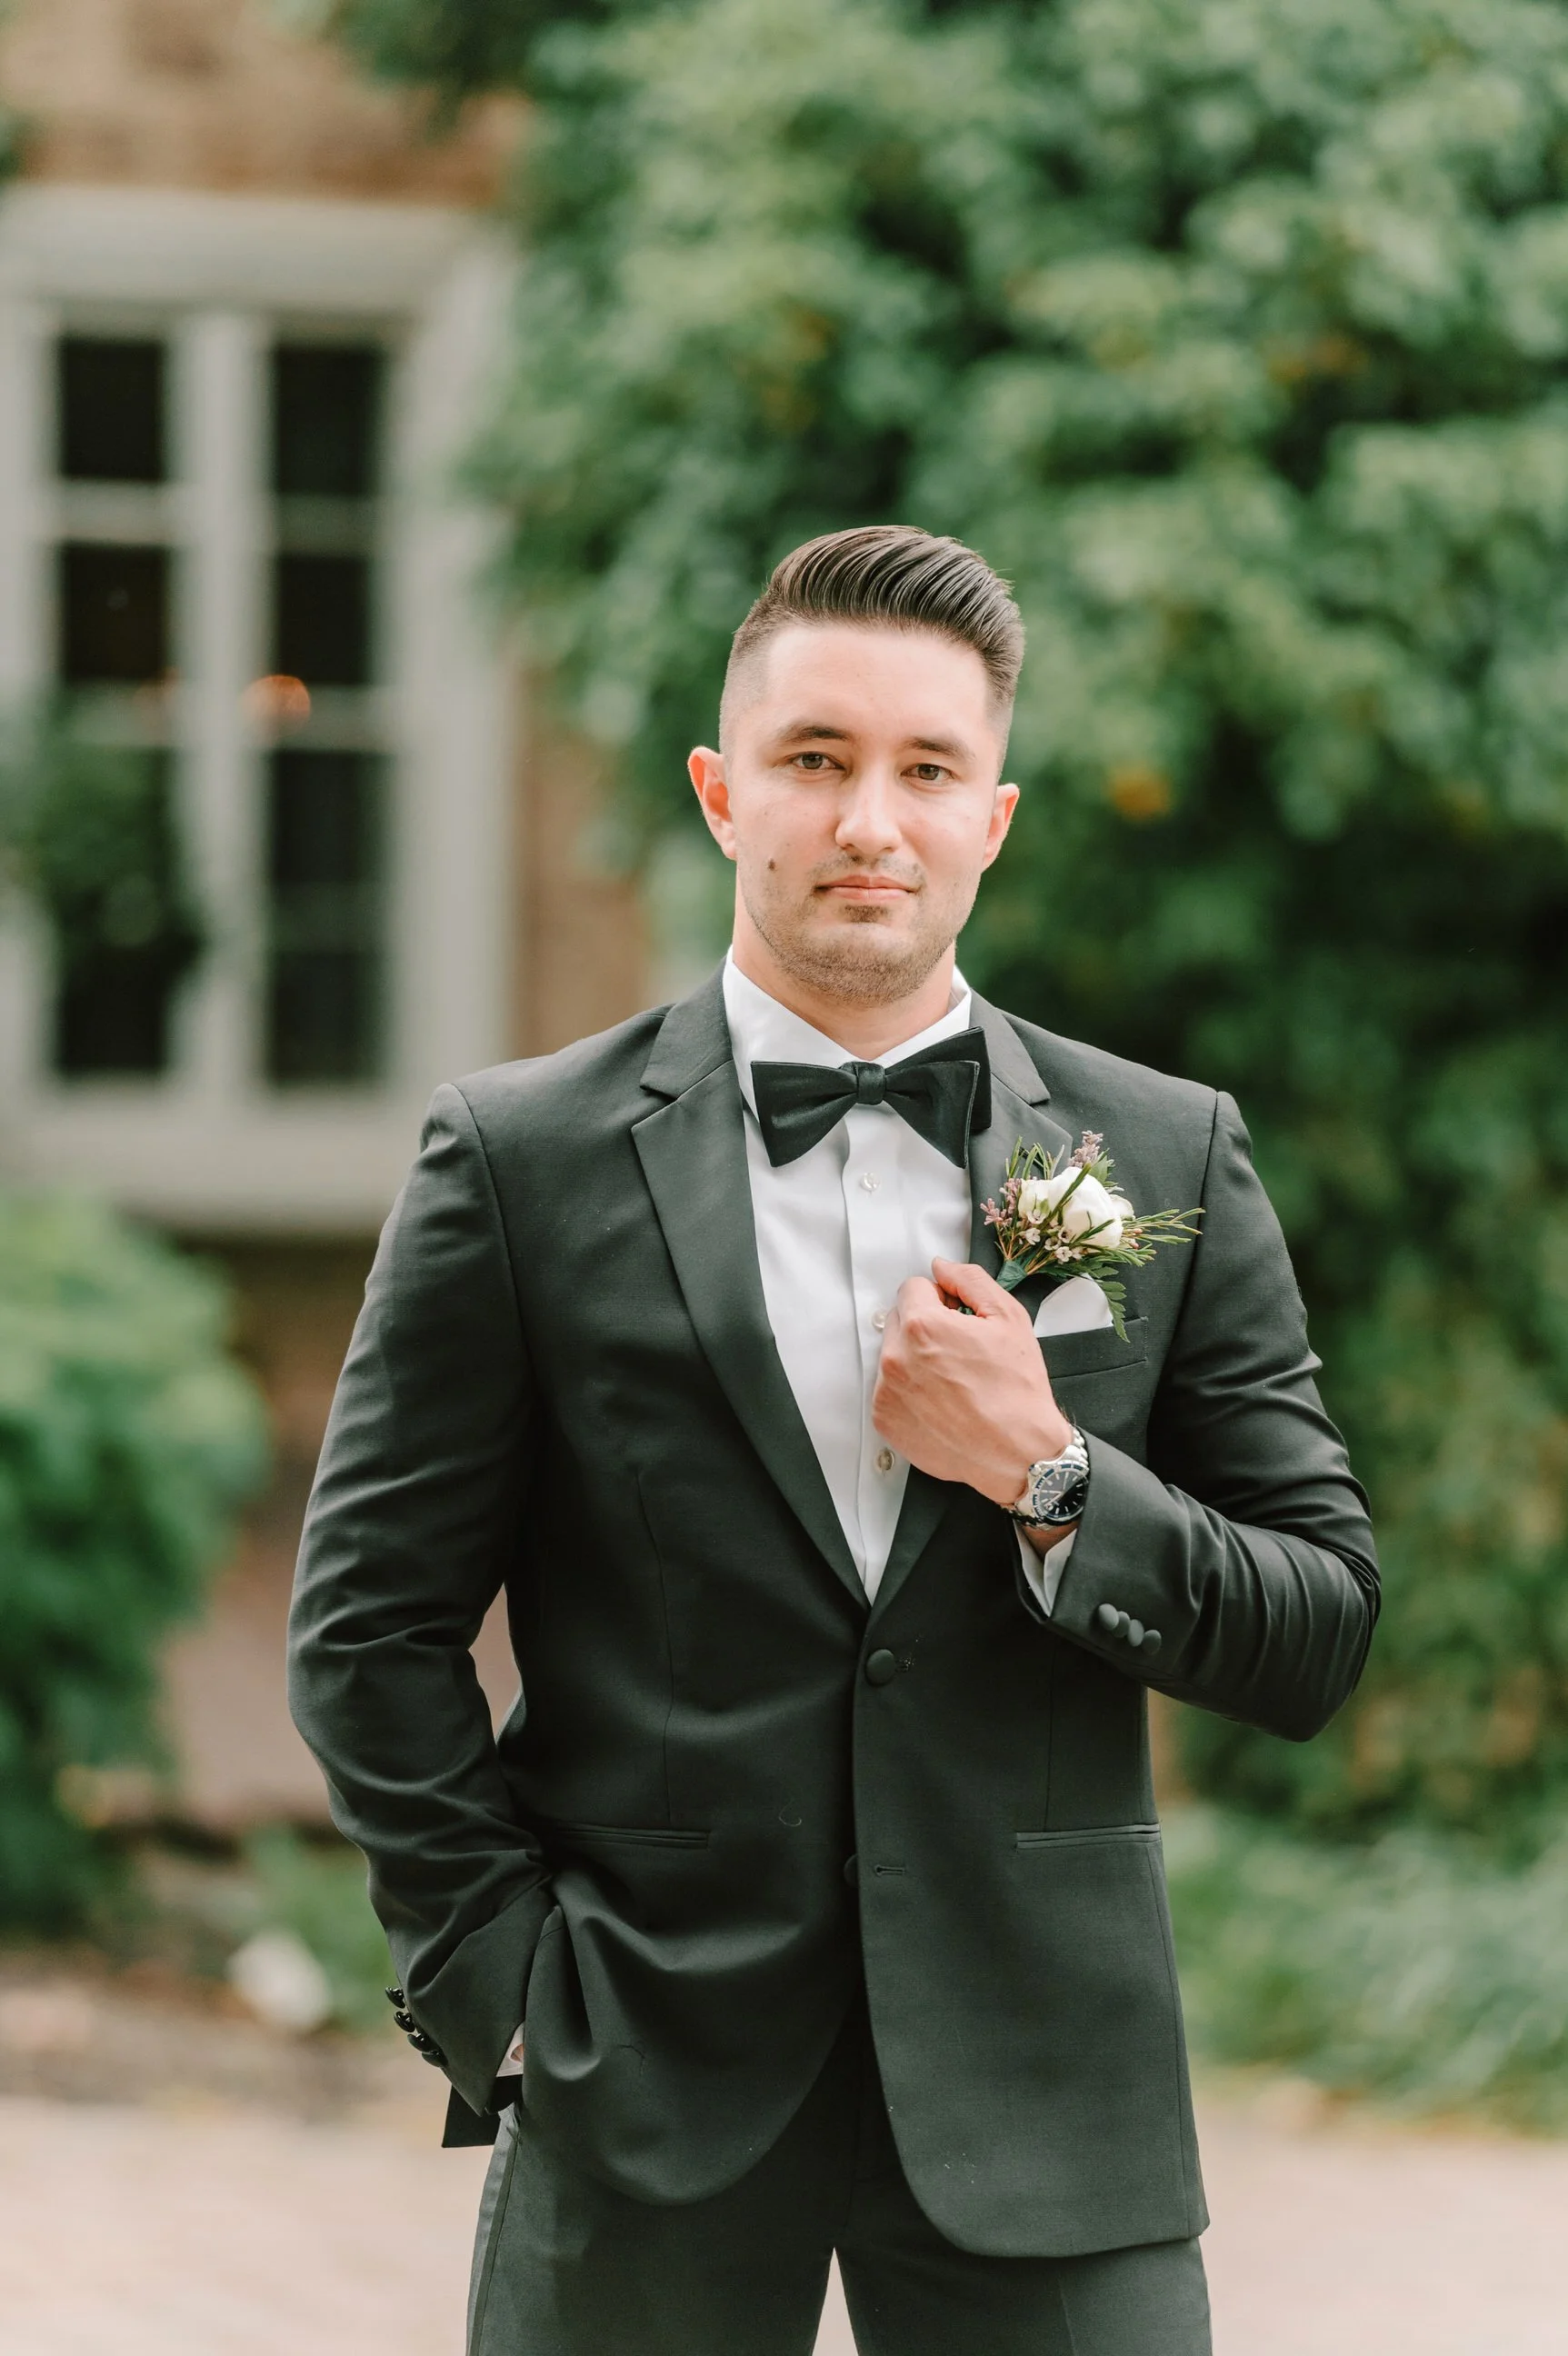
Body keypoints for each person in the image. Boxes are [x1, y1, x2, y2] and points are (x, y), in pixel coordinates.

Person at [288, 525, 1378, 2355]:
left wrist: (1052, 1482)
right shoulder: (520, 1160)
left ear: (991, 819)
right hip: (640, 2078)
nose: (870, 817)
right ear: (725, 795)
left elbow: (1317, 1620)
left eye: (925, 769)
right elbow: (368, 1636)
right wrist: (498, 1989)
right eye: (816, 760)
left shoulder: (1158, 1154)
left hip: (1050, 2098)